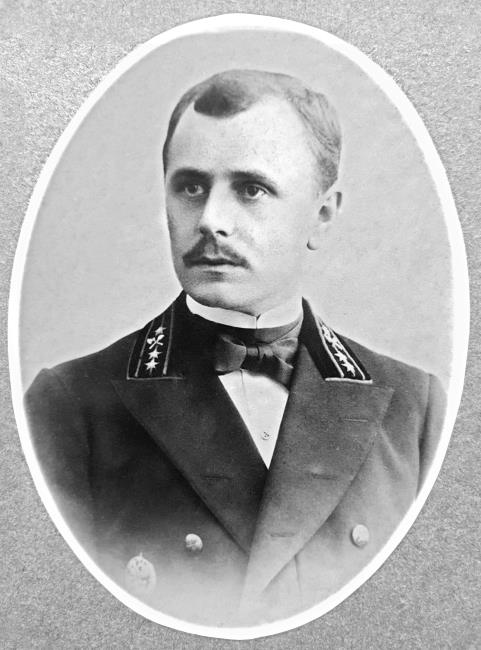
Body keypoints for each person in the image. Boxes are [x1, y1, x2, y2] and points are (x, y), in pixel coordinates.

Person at [24, 69, 446, 626]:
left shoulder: (415, 410)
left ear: (322, 215)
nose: (210, 221)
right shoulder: (69, 406)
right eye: (190, 187)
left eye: (251, 189)